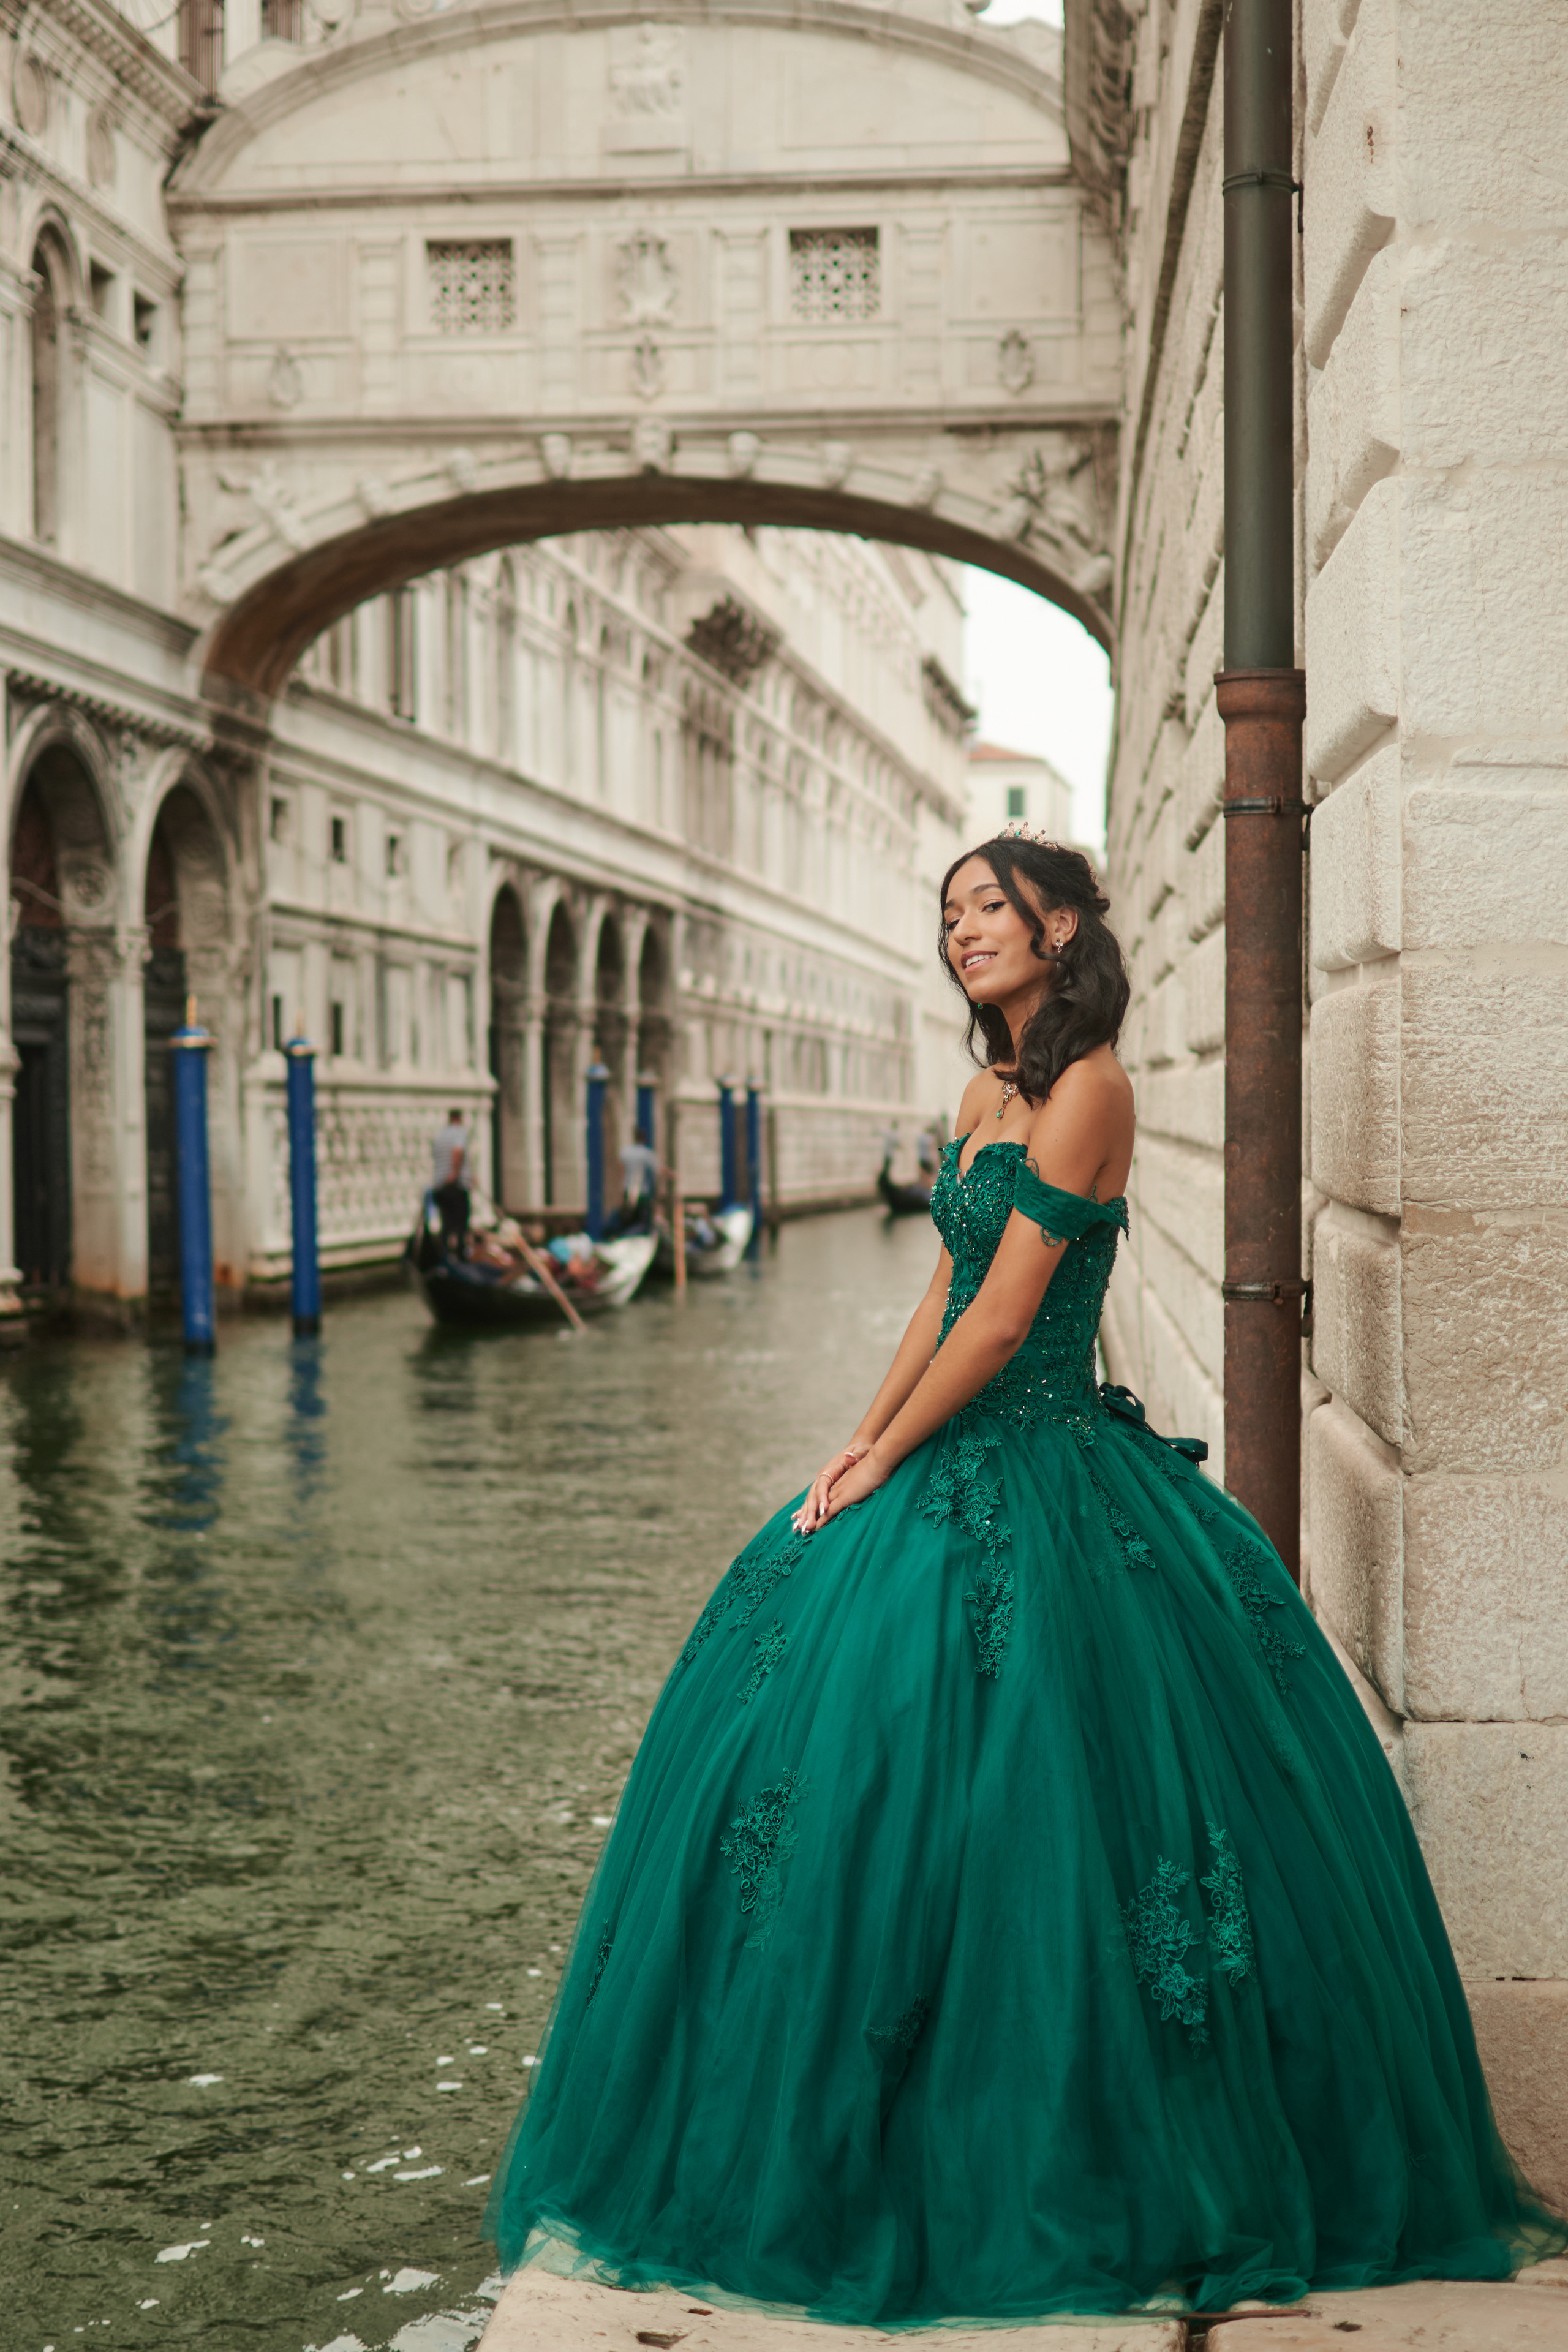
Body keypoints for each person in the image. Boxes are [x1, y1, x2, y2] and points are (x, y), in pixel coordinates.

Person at [485, 830, 1565, 2326]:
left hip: (1053, 1458)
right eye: (947, 913)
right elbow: (934, 1289)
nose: (961, 932)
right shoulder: (983, 1087)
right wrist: (855, 1441)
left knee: (1061, 1813)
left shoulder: (1092, 1085)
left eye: (986, 907)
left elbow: (1000, 1324)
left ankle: (1110, 2164)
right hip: (945, 1443)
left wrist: (890, 1457)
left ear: (1058, 924)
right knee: (828, 1761)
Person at [431, 1106, 470, 1259]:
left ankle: (444, 1256)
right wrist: (455, 1173)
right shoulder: (459, 1132)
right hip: (456, 1185)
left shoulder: (440, 1135)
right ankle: (460, 1257)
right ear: (459, 1119)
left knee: (446, 1223)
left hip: (440, 1187)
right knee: (461, 1223)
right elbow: (457, 1151)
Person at [614, 1125, 659, 1235]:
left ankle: (625, 1236)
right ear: (643, 1139)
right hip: (642, 1192)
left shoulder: (626, 1152)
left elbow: (620, 1170)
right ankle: (636, 1236)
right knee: (643, 1221)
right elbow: (657, 1170)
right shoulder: (646, 1153)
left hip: (628, 1190)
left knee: (627, 1219)